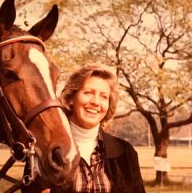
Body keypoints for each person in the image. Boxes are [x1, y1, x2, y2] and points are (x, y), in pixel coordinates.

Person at [22, 63, 145, 193]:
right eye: (88, 93)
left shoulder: (126, 152)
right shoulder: (46, 151)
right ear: (71, 98)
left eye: (104, 96)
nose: (96, 102)